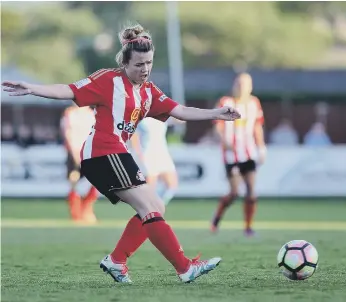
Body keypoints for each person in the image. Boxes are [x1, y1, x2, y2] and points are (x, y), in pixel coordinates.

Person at [2, 23, 240, 284]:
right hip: (102, 153)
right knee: (150, 207)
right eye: (139, 64)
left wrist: (216, 114)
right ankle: (184, 268)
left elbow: (180, 110)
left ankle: (117, 261)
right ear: (125, 63)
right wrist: (33, 88)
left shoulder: (149, 91)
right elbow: (68, 90)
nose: (145, 69)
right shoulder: (108, 80)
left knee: (156, 206)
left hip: (117, 155)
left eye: (148, 63)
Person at [211, 72, 266, 237]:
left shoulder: (254, 103)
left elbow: (257, 127)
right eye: (239, 84)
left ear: (250, 87)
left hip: (248, 153)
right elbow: (217, 126)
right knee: (235, 192)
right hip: (231, 155)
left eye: (245, 84)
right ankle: (217, 218)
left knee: (251, 191)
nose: (241, 87)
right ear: (234, 85)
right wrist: (224, 141)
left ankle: (248, 227)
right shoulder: (225, 102)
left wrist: (261, 147)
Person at [60, 104, 99, 222]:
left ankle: (87, 210)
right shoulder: (70, 113)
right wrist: (74, 152)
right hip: (74, 152)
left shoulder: (92, 114)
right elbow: (67, 133)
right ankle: (76, 213)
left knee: (95, 181)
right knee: (74, 181)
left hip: (89, 152)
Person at [131, 116, 179, 205]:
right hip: (147, 153)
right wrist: (138, 152)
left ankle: (157, 206)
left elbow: (179, 119)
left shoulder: (162, 113)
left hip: (162, 153)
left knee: (172, 185)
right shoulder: (140, 115)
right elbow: (134, 135)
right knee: (150, 187)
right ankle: (147, 211)